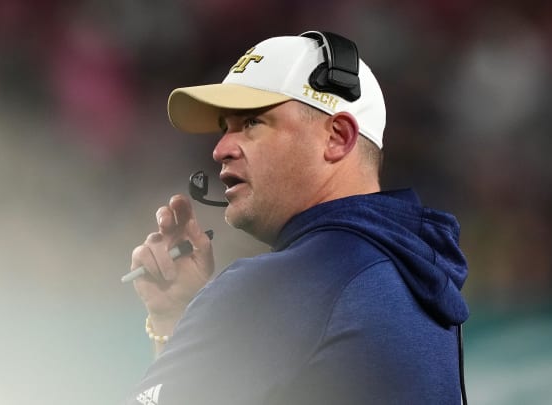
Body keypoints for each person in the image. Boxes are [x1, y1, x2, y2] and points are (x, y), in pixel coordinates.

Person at [123, 30, 469, 405]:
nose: (220, 149)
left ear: (337, 137)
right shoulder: (412, 272)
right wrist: (178, 316)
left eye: (252, 123)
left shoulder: (289, 283)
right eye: (226, 128)